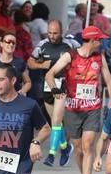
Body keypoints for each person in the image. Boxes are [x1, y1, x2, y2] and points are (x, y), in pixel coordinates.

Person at [46, 26, 111, 174]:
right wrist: (55, 89)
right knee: (78, 149)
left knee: (88, 145)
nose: (102, 43)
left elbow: (108, 81)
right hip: (73, 109)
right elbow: (50, 74)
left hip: (93, 108)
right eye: (100, 40)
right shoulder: (70, 55)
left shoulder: (99, 57)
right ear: (92, 41)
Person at [25, 20, 75, 166]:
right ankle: (65, 148)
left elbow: (81, 57)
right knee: (55, 124)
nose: (52, 36)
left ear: (62, 32)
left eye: (55, 33)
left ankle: (51, 155)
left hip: (63, 86)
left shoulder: (71, 44)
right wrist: (41, 65)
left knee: (56, 121)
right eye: (50, 33)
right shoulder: (42, 45)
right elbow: (30, 62)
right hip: (47, 86)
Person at [0, 32, 30, 97]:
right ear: (1, 44)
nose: (11, 44)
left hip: (15, 98)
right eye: (8, 42)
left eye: (13, 43)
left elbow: (28, 82)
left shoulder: (20, 62)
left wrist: (21, 92)